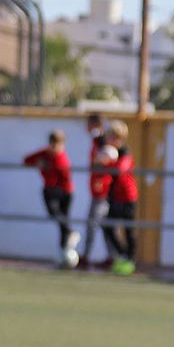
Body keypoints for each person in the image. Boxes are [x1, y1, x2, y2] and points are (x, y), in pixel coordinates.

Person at [23, 129, 77, 263]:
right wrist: (37, 163)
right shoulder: (44, 153)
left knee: (63, 220)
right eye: (52, 144)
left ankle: (64, 251)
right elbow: (26, 160)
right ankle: (69, 233)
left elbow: (63, 179)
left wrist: (47, 167)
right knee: (55, 215)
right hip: (50, 190)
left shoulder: (62, 159)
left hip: (65, 192)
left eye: (58, 144)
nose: (54, 147)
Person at [95, 121, 138, 275]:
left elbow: (120, 169)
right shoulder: (107, 151)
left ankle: (130, 259)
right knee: (107, 225)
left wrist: (105, 164)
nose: (111, 140)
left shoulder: (125, 152)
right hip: (114, 196)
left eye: (114, 137)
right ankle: (123, 254)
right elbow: (100, 169)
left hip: (128, 196)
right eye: (109, 137)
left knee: (129, 229)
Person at [77, 113, 109, 270]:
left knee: (92, 223)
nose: (86, 127)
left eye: (88, 124)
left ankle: (86, 257)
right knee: (104, 224)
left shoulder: (101, 140)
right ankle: (112, 256)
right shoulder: (97, 140)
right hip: (97, 190)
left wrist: (99, 179)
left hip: (101, 191)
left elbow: (104, 161)